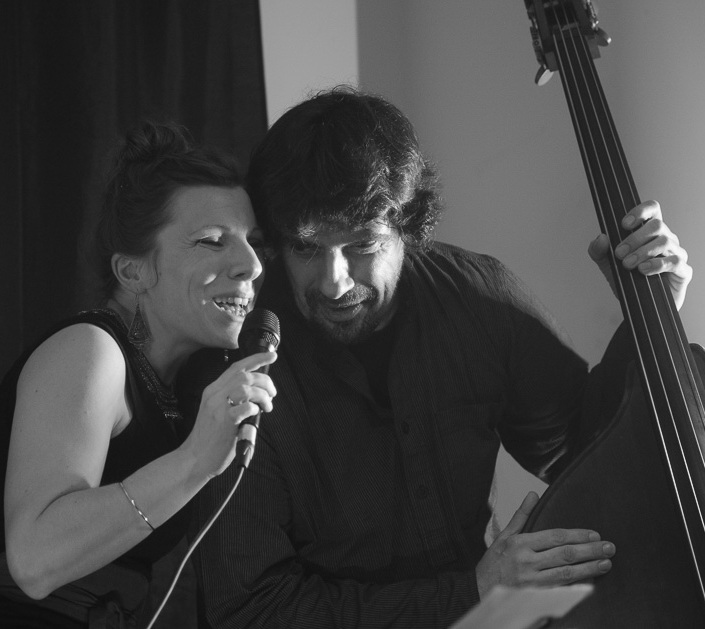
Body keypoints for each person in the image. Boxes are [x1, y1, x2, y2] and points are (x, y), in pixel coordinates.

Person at [187, 87, 692, 628]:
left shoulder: (479, 299)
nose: (334, 283)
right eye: (307, 247)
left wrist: (648, 315)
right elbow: (250, 610)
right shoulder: (242, 362)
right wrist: (472, 592)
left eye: (362, 245)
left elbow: (581, 446)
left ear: (409, 227)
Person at [0, 121, 277, 627]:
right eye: (212, 241)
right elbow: (34, 561)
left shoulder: (179, 384)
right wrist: (196, 459)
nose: (252, 265)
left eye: (253, 241)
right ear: (133, 272)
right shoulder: (91, 351)